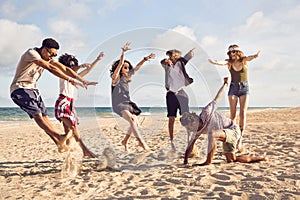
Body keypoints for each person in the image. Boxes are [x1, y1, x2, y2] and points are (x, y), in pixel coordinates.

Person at [10, 38, 97, 153]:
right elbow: (50, 68)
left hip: (33, 90)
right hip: (19, 89)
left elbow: (65, 68)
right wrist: (69, 79)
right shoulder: (31, 54)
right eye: (51, 53)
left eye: (54, 54)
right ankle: (59, 136)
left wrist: (82, 80)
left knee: (45, 117)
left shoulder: (49, 58)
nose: (52, 57)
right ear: (43, 49)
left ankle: (58, 142)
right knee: (37, 115)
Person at [180, 77, 267, 165]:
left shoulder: (206, 112)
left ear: (194, 121)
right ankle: (260, 159)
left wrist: (225, 85)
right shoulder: (197, 130)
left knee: (212, 134)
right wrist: (185, 161)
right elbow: (191, 144)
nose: (190, 130)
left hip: (233, 130)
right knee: (232, 159)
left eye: (190, 127)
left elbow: (217, 98)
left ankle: (208, 162)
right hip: (224, 135)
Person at [208, 44, 261, 151]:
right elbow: (222, 62)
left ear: (237, 52)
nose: (231, 55)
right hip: (233, 87)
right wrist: (215, 62)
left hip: (244, 88)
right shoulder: (229, 63)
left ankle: (240, 139)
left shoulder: (243, 61)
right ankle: (231, 136)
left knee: (242, 113)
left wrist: (255, 56)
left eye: (233, 52)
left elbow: (249, 58)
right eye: (229, 53)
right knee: (232, 114)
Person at [54, 52, 104, 158]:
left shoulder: (73, 77)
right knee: (72, 128)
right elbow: (70, 71)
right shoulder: (63, 74)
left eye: (74, 65)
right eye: (70, 65)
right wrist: (80, 66)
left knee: (68, 131)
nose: (73, 67)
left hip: (70, 104)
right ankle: (85, 151)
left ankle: (67, 153)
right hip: (63, 102)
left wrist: (97, 59)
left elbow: (87, 70)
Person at [110, 42, 155, 152]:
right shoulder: (115, 79)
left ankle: (124, 141)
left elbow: (136, 69)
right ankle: (142, 143)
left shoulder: (126, 79)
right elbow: (120, 65)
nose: (127, 69)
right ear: (120, 68)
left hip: (127, 103)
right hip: (118, 104)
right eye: (125, 67)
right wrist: (123, 53)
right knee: (131, 119)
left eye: (128, 67)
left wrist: (145, 59)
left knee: (134, 121)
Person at [160, 48, 194, 148]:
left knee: (186, 117)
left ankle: (189, 140)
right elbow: (161, 62)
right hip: (171, 95)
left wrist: (191, 52)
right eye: (168, 56)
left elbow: (188, 57)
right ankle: (172, 142)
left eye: (171, 56)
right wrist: (165, 61)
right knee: (171, 118)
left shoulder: (181, 63)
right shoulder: (167, 66)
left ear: (176, 56)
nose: (169, 58)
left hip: (181, 94)